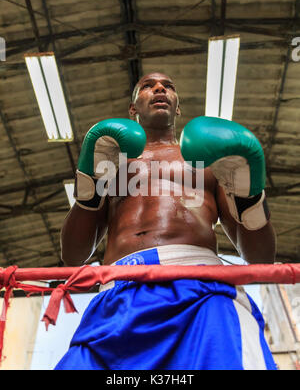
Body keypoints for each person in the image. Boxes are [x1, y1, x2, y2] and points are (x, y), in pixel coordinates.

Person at [55, 72, 277, 370]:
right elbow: (72, 255)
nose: (159, 88)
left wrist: (250, 198)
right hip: (120, 287)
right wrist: (88, 188)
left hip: (200, 290)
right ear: (132, 109)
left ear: (177, 106)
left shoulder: (211, 164)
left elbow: (260, 259)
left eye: (168, 86)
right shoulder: (110, 163)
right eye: (148, 86)